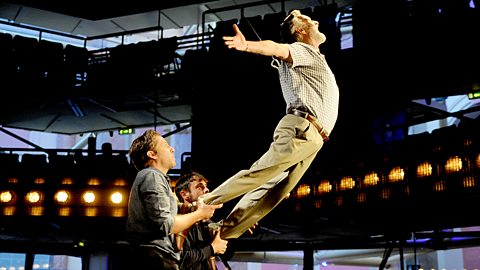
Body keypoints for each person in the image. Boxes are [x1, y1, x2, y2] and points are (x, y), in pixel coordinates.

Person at [199, 9, 340, 240]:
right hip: (302, 129)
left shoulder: (312, 56)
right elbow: (275, 47)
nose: (314, 20)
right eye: (307, 20)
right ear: (300, 32)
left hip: (314, 138)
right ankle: (203, 203)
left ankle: (220, 232)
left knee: (274, 192)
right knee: (261, 173)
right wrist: (247, 46)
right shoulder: (301, 50)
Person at [125, 129, 224, 270]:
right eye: (165, 145)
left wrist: (197, 208)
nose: (172, 149)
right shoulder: (152, 176)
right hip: (155, 258)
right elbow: (166, 224)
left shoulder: (156, 178)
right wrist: (200, 214)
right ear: (152, 154)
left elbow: (172, 210)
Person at [175, 171, 228, 270]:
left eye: (206, 186)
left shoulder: (206, 222)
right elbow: (181, 260)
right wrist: (212, 248)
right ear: (184, 194)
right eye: (200, 187)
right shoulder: (179, 223)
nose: (207, 190)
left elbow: (223, 252)